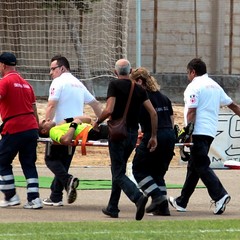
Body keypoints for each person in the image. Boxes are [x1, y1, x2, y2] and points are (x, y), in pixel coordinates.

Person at [169, 58, 240, 214]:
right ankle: (182, 202)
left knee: (201, 165)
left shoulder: (193, 87)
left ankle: (220, 195)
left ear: (193, 72)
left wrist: (188, 133)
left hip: (198, 132)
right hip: (210, 132)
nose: (188, 76)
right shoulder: (215, 86)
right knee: (194, 167)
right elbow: (233, 105)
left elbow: (192, 111)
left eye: (188, 73)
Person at [93, 59, 158, 221]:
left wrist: (97, 122)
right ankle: (112, 207)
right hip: (132, 134)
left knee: (118, 172)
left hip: (117, 133)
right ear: (130, 72)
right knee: (119, 169)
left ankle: (138, 197)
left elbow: (109, 110)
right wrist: (153, 136)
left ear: (116, 72)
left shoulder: (114, 85)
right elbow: (153, 113)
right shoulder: (139, 89)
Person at [43, 55, 102, 207]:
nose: (51, 73)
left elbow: (51, 105)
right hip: (78, 129)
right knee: (64, 162)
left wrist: (45, 123)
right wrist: (101, 122)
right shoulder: (78, 83)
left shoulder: (58, 82)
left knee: (51, 160)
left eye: (53, 69)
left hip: (61, 129)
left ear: (62, 68)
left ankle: (68, 180)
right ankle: (56, 195)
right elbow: (95, 104)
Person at [130, 67, 176, 216]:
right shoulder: (163, 97)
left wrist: (153, 135)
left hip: (154, 135)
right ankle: (163, 208)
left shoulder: (143, 98)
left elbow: (151, 116)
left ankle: (157, 198)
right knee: (157, 173)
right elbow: (171, 119)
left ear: (139, 81)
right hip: (169, 135)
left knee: (138, 169)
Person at [0, 52, 42, 209]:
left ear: (3, 65)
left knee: (2, 161)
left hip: (14, 127)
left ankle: (10, 195)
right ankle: (34, 199)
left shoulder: (4, 82)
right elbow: (34, 110)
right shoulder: (26, 84)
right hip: (31, 127)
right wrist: (36, 128)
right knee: (28, 163)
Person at [39, 116, 108, 144]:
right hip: (92, 133)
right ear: (44, 131)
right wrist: (74, 124)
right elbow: (65, 140)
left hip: (95, 130)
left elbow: (88, 119)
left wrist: (68, 120)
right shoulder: (52, 131)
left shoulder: (60, 126)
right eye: (44, 121)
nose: (48, 119)